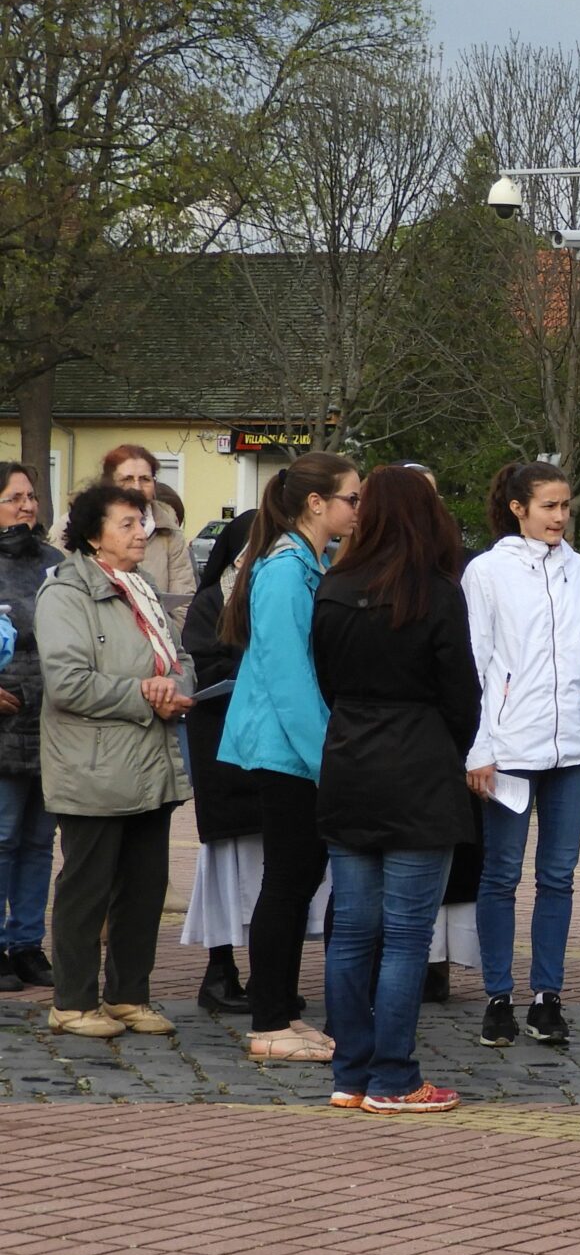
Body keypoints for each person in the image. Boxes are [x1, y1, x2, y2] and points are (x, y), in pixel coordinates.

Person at [311, 465, 479, 1114]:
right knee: (408, 936)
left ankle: (351, 1073)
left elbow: (327, 681)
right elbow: (462, 697)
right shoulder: (435, 593)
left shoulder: (333, 587)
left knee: (352, 930)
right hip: (419, 771)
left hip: (349, 764)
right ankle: (395, 1077)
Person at [465, 460, 580, 1047]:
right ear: (518, 508)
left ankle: (547, 996)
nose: (560, 516)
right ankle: (498, 995)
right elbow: (477, 663)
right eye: (549, 506)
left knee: (558, 875)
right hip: (508, 748)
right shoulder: (485, 572)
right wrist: (479, 748)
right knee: (501, 874)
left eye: (565, 507)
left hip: (575, 748)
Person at [218, 452, 362, 1063]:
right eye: (351, 498)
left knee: (297, 880)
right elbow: (287, 676)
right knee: (286, 882)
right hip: (285, 750)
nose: (358, 508)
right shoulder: (284, 569)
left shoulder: (308, 561)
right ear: (315, 503)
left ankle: (281, 1008)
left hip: (294, 747)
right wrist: (328, 757)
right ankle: (268, 1019)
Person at [36, 482, 192, 1038]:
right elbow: (67, 682)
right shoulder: (65, 593)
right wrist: (145, 694)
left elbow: (180, 656)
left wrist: (176, 685)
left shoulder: (142, 587)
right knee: (87, 887)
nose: (141, 533)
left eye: (143, 522)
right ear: (94, 535)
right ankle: (73, 1002)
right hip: (93, 766)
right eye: (127, 523)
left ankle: (129, 995)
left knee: (144, 885)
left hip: (150, 762)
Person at [178, 513, 261, 1013]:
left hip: (266, 749)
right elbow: (201, 663)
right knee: (227, 868)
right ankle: (219, 968)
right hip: (224, 747)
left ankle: (269, 971)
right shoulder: (211, 601)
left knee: (274, 867)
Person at [0, 463, 61, 993]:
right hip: (4, 722)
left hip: (52, 723)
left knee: (40, 841)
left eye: (31, 496)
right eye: (14, 496)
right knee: (1, 837)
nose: (26, 505)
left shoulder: (55, 563)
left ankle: (26, 944)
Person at [101, 444, 197, 605]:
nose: (136, 487)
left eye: (145, 479)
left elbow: (183, 602)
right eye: (127, 479)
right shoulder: (79, 525)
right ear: (109, 483)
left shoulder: (170, 531)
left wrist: (161, 629)